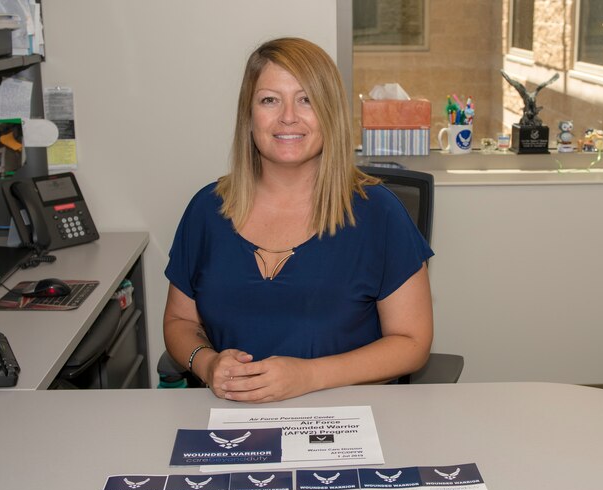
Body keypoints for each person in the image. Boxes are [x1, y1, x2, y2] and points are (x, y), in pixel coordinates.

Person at [163, 37, 434, 403]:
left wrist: (308, 376)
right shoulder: (206, 210)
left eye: (306, 99)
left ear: (330, 112)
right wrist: (207, 364)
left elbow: (412, 343)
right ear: (249, 114)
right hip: (231, 418)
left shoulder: (379, 213)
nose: (288, 116)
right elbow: (180, 322)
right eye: (270, 100)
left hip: (348, 416)